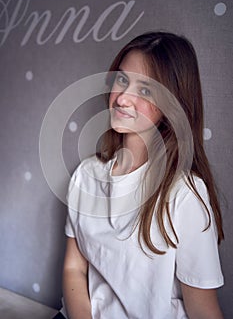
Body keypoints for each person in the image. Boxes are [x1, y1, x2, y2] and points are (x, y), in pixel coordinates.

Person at [54, 31, 224, 319]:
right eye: (122, 80)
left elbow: (203, 310)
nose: (122, 99)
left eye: (145, 90)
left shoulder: (185, 195)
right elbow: (74, 268)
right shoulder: (86, 175)